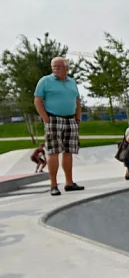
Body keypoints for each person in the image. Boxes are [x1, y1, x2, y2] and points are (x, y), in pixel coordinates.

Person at [33, 56, 84, 196]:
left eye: (59, 66)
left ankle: (69, 183)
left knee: (69, 151)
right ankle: (53, 185)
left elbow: (78, 101)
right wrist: (46, 118)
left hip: (71, 120)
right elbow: (37, 101)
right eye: (53, 66)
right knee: (53, 151)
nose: (55, 68)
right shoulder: (45, 81)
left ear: (66, 68)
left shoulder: (72, 82)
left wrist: (78, 118)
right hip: (53, 119)